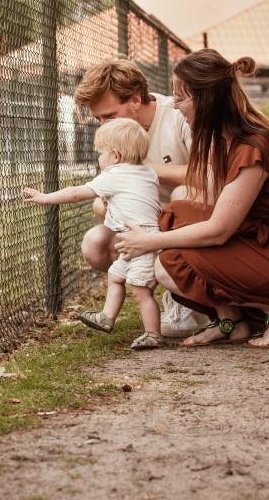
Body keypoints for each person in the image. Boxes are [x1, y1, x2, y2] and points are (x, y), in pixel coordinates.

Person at [114, 49, 269, 349]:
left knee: (168, 262)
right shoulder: (225, 140)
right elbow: (209, 199)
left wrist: (150, 241)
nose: (177, 108)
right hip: (267, 242)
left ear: (206, 99)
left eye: (181, 99)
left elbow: (219, 229)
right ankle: (232, 321)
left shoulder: (255, 145)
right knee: (175, 212)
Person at [73, 56, 208, 338]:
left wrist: (142, 170)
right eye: (98, 119)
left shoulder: (177, 114)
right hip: (146, 222)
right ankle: (154, 282)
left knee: (184, 194)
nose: (103, 125)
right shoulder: (115, 136)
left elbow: (206, 175)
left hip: (190, 218)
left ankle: (186, 294)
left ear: (135, 99)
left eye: (109, 116)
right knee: (95, 239)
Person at [23, 118, 164, 349]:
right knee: (115, 276)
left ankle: (153, 333)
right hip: (137, 239)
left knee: (141, 291)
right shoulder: (147, 172)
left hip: (139, 242)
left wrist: (45, 198)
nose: (98, 158)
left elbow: (78, 193)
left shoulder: (115, 174)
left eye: (100, 153)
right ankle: (107, 316)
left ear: (116, 156)